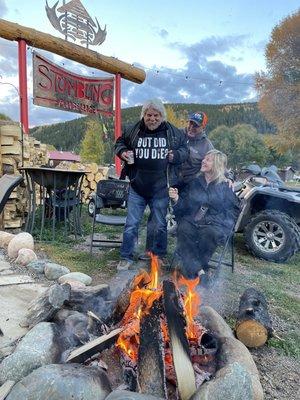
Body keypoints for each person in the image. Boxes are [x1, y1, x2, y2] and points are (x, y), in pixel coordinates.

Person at [115, 99, 188, 270]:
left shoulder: (173, 132)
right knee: (132, 223)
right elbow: (119, 143)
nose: (152, 118)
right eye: (149, 115)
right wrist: (123, 152)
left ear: (162, 116)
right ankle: (126, 257)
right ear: (144, 115)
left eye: (156, 115)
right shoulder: (134, 130)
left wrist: (175, 156)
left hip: (161, 189)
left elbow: (185, 150)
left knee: (159, 224)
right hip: (137, 187)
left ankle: (157, 255)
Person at [169, 149, 240, 280]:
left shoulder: (225, 186)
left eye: (208, 160)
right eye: (204, 158)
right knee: (183, 229)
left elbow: (234, 210)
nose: (203, 161)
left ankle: (192, 268)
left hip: (214, 224)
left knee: (209, 234)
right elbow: (184, 206)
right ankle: (200, 272)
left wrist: (223, 225)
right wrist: (176, 199)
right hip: (192, 220)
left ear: (217, 165)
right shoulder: (195, 182)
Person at [179, 111, 214, 186]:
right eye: (191, 123)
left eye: (196, 126)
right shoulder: (178, 133)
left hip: (190, 186)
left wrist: (229, 177)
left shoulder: (207, 145)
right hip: (170, 180)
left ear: (203, 127)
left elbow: (217, 164)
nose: (191, 127)